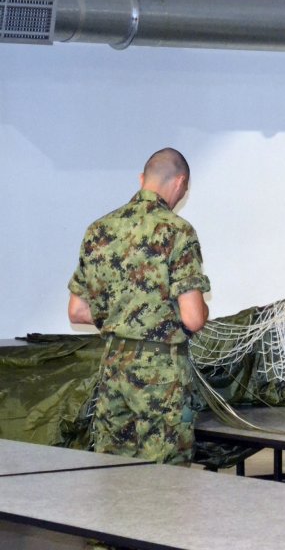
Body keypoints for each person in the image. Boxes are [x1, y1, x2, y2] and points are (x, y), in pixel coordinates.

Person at [68, 148, 210, 467]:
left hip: (113, 369)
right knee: (166, 479)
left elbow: (77, 311)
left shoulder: (99, 230)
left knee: (113, 473)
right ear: (180, 182)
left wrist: (122, 318)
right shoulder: (178, 231)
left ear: (142, 179)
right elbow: (193, 317)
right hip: (162, 377)